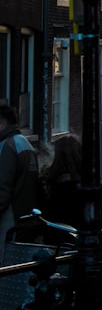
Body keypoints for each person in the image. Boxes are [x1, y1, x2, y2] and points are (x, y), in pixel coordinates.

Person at [38, 134, 102, 245]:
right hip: (86, 245)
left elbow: (44, 220)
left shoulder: (53, 187)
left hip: (58, 247)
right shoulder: (91, 185)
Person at [0, 104, 38, 259]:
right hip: (24, 217)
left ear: (2, 124)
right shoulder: (25, 143)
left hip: (10, 220)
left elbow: (2, 188)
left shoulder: (8, 147)